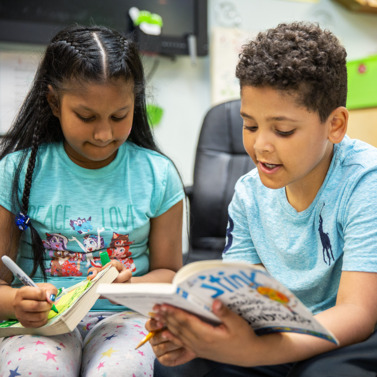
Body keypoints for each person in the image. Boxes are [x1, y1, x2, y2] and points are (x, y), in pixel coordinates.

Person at [146, 21, 377, 377]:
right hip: (276, 331)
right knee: (175, 368)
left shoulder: (365, 180)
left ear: (335, 125)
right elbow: (248, 300)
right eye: (250, 125)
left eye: (283, 130)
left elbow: (357, 314)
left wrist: (257, 352)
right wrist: (201, 334)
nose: (260, 145)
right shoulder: (248, 193)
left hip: (347, 337)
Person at [0, 24, 185, 377]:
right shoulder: (16, 171)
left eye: (120, 116)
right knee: (38, 369)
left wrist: (130, 288)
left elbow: (171, 274)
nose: (105, 134)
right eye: (86, 117)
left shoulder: (157, 175)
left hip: (125, 318)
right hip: (43, 324)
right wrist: (15, 302)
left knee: (119, 370)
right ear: (54, 102)